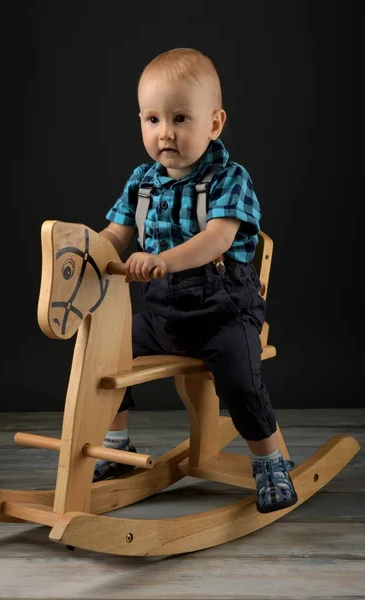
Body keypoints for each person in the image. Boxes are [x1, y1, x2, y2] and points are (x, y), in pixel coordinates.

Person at [97, 47, 297, 514]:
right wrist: (87, 244)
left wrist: (162, 260)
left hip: (224, 311)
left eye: (181, 117)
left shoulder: (230, 179)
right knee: (109, 350)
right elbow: (116, 234)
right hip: (166, 314)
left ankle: (269, 462)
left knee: (239, 376)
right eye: (152, 119)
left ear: (214, 123)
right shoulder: (141, 182)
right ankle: (117, 442)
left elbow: (215, 241)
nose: (165, 132)